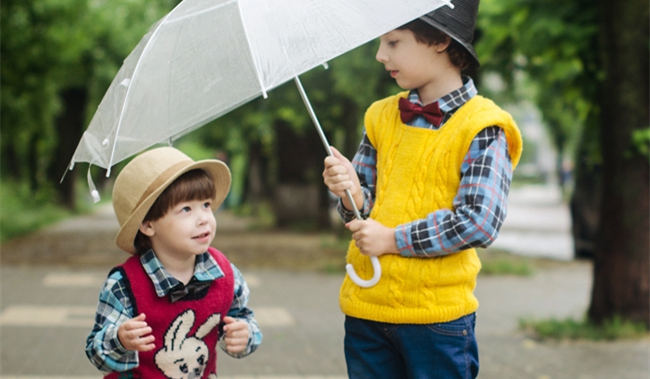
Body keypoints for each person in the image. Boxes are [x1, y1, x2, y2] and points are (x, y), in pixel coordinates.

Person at [322, 1, 523, 378]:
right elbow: (361, 213)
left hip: (436, 322)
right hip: (367, 309)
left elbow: (479, 222)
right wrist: (352, 193)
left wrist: (393, 240)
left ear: (441, 40)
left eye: (394, 42)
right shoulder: (380, 116)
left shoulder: (483, 126)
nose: (381, 55)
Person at [86, 147, 262, 379]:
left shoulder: (224, 273)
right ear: (148, 224)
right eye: (186, 209)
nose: (203, 219)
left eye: (206, 205)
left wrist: (245, 334)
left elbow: (242, 317)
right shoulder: (124, 285)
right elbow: (96, 351)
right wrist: (120, 339)